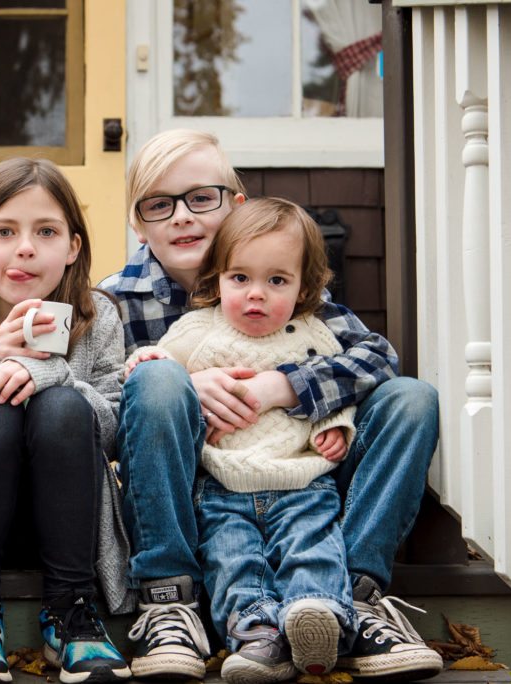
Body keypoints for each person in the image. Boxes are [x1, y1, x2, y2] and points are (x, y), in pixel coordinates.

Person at [98, 129, 443, 681]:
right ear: (138, 223)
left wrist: (280, 387)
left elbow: (376, 357)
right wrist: (182, 382)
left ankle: (354, 597)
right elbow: (103, 412)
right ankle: (170, 601)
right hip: (200, 494)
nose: (182, 217)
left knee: (412, 398)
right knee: (157, 379)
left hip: (306, 483)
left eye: (201, 198)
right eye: (159, 205)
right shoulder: (113, 301)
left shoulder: (280, 280)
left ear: (236, 207)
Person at [0, 158, 132, 684]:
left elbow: (111, 434)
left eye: (46, 231)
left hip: (68, 526)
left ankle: (71, 611)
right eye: (4, 231)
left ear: (73, 247)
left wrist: (57, 375)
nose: (25, 248)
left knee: (60, 405)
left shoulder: (97, 316)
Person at [129, 197, 359, 682]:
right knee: (233, 559)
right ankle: (255, 635)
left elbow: (339, 390)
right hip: (221, 486)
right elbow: (158, 366)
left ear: (303, 289)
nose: (257, 295)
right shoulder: (197, 330)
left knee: (313, 544)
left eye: (277, 280)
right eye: (241, 279)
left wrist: (333, 427)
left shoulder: (314, 334)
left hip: (302, 482)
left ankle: (316, 613)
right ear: (217, 281)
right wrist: (143, 361)